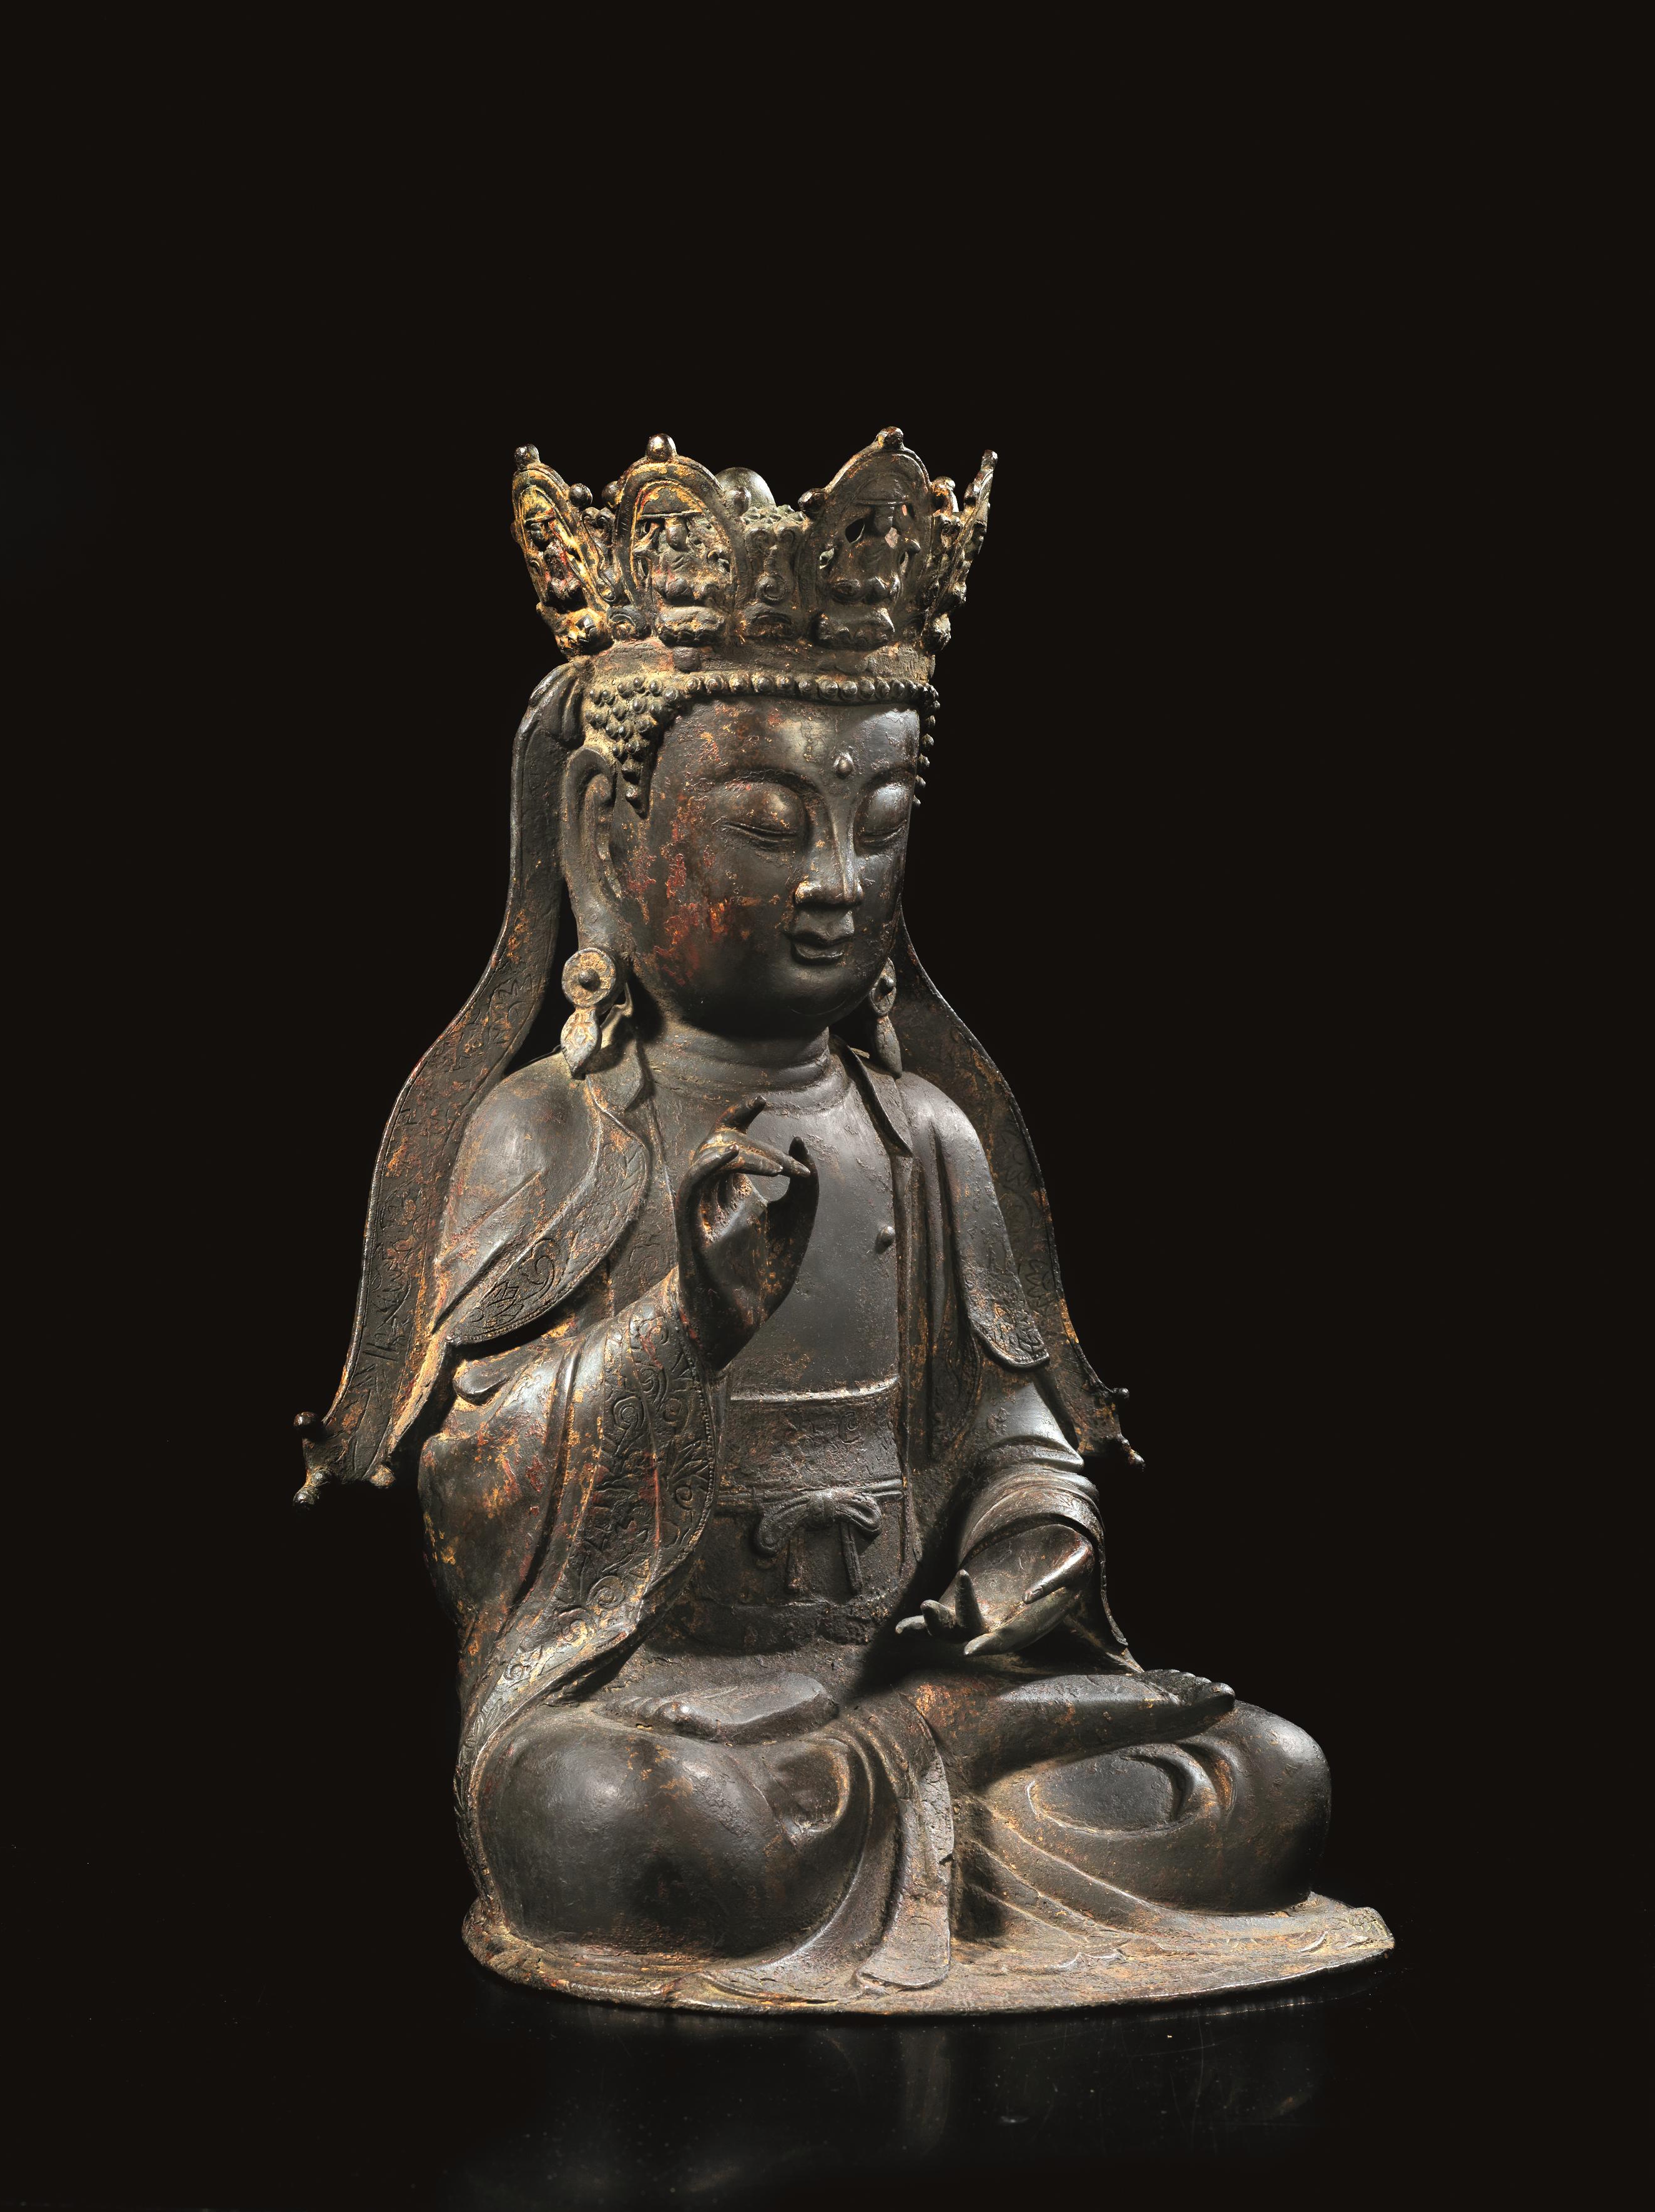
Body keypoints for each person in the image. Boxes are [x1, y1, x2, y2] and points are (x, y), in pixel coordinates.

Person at [298, 433, 1383, 2010]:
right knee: (632, 1825)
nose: (835, 880)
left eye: (877, 821)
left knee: (1267, 1776)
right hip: (668, 1711)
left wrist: (1025, 1552)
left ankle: (941, 1763)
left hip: (905, 1671)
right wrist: (685, 1326)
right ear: (608, 836)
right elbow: (473, 1499)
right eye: (768, 823)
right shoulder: (555, 1130)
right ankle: (930, 1784)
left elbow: (1013, 1429)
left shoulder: (924, 1136)